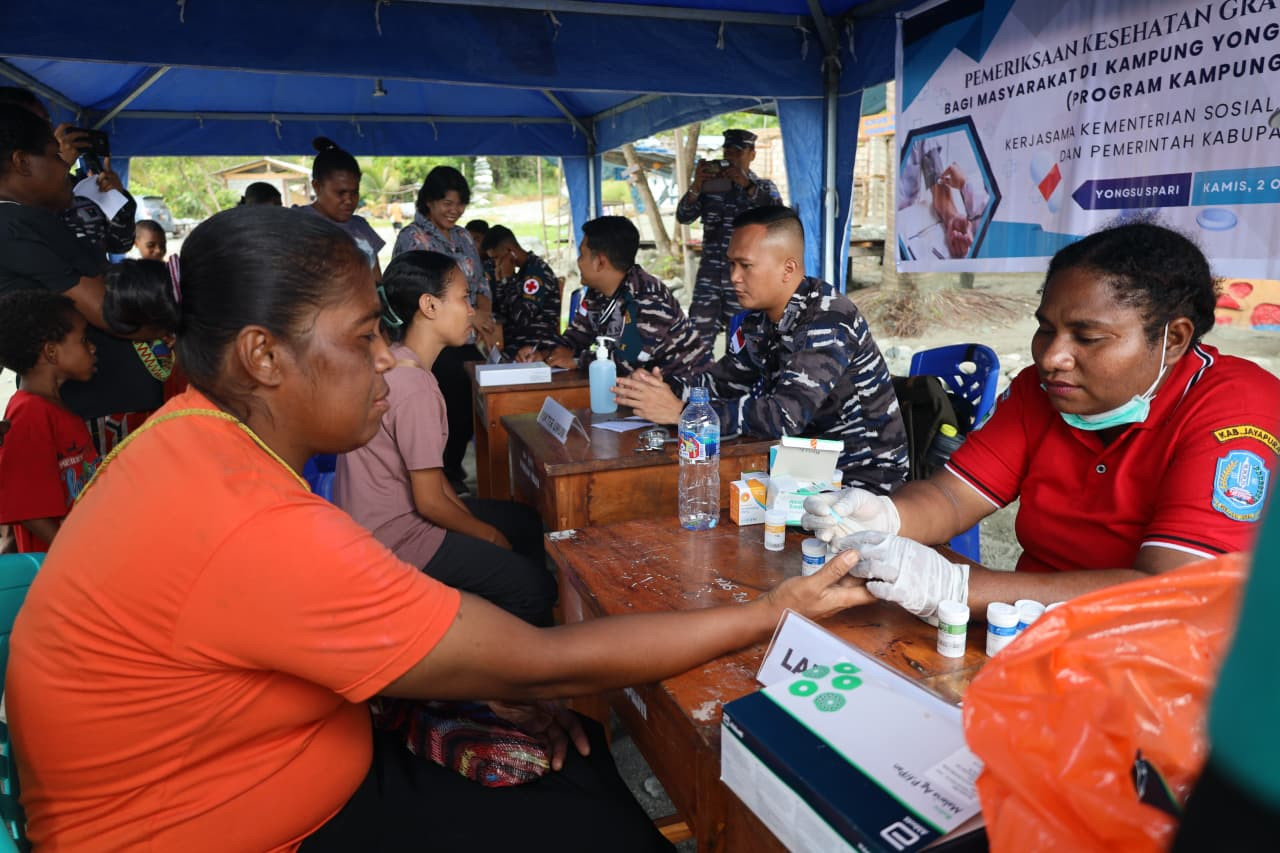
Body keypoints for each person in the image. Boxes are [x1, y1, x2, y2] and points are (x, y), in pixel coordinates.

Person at [6, 205, 869, 851]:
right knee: (581, 788)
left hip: (264, 765)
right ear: (263, 356)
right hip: (235, 826)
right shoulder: (251, 520)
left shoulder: (189, 437)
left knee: (571, 760)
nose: (386, 358)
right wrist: (768, 611)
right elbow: (543, 662)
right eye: (363, 337)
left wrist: (463, 690)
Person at [804, 221, 1280, 620]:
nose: (1052, 357)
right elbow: (953, 497)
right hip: (1028, 628)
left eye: (1087, 338)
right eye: (1046, 329)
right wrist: (888, 516)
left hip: (1152, 656)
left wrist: (959, 588)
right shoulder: (1042, 390)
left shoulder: (1237, 412)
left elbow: (1172, 593)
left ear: (1173, 340)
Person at [615, 206, 908, 492]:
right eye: (731, 264)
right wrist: (660, 389)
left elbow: (784, 417)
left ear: (788, 269)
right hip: (803, 466)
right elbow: (722, 383)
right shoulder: (758, 321)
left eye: (746, 266)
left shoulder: (828, 319)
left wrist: (684, 413)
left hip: (862, 477)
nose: (733, 277)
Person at [337, 250, 556, 626]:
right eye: (463, 298)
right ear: (429, 306)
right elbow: (429, 502)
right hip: (396, 538)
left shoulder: (399, 360)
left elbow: (434, 481)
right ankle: (514, 650)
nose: (471, 311)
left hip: (384, 521)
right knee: (534, 588)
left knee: (521, 522)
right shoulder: (414, 387)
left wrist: (472, 523)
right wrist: (488, 538)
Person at [0, 104, 164, 454]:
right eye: (53, 155)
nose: (65, 166)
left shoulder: (31, 220)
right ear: (22, 162)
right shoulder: (12, 226)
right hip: (100, 406)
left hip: (109, 399)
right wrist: (172, 325)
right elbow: (108, 312)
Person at [394, 167, 498, 493]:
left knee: (472, 404)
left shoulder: (464, 237)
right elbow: (409, 292)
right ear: (429, 201)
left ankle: (452, 471)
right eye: (447, 203)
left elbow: (480, 284)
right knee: (445, 405)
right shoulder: (412, 237)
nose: (455, 210)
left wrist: (482, 316)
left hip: (466, 335)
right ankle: (439, 477)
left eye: (460, 203)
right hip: (432, 341)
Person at [517, 216, 711, 383]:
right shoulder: (597, 293)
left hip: (688, 396)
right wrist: (543, 353)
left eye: (582, 254)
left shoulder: (647, 298)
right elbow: (575, 337)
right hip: (642, 391)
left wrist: (578, 361)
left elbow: (628, 361)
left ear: (600, 262)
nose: (578, 262)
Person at [0, 289, 98, 552]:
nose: (92, 347)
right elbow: (29, 510)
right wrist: (73, 555)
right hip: (60, 562)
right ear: (52, 352)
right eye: (84, 339)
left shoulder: (53, 407)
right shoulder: (29, 414)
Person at [676, 128, 782, 347]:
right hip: (709, 281)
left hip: (744, 282)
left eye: (738, 152)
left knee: (742, 347)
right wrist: (696, 186)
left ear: (752, 155)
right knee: (694, 345)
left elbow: (779, 219)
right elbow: (683, 216)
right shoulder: (711, 187)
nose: (731, 157)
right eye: (727, 151)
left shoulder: (763, 187)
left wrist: (747, 186)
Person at [302, 136, 384, 278]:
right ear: (317, 186)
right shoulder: (298, 223)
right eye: (340, 193)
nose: (349, 200)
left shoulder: (360, 226)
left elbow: (376, 278)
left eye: (354, 192)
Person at [480, 224, 561, 357]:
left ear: (510, 250)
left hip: (537, 344)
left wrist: (507, 280)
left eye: (496, 258)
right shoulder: (521, 272)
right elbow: (503, 309)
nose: (495, 263)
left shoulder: (536, 272)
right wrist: (502, 281)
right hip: (518, 342)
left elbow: (522, 317)